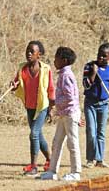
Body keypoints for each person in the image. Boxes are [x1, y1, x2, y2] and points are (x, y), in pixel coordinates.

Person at [11, 40, 55, 176]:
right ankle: (50, 159)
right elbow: (16, 84)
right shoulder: (22, 68)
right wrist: (13, 85)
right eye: (27, 51)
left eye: (32, 52)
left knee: (34, 134)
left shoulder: (46, 69)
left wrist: (51, 109)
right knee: (38, 135)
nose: (28, 54)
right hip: (29, 106)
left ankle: (34, 166)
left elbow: (51, 89)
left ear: (39, 55)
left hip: (42, 106)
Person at [40, 47, 82, 181]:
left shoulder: (67, 76)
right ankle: (52, 171)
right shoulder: (63, 74)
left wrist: (55, 101)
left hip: (70, 114)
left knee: (72, 143)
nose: (54, 60)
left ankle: (76, 172)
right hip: (64, 114)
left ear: (64, 60)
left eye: (56, 57)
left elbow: (70, 97)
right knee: (57, 142)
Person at [82, 42, 109, 168]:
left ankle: (100, 160)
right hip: (90, 103)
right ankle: (90, 159)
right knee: (91, 131)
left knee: (101, 132)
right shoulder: (89, 66)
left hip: (104, 104)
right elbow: (85, 85)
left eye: (104, 56)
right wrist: (93, 73)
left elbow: (108, 85)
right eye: (99, 55)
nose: (100, 58)